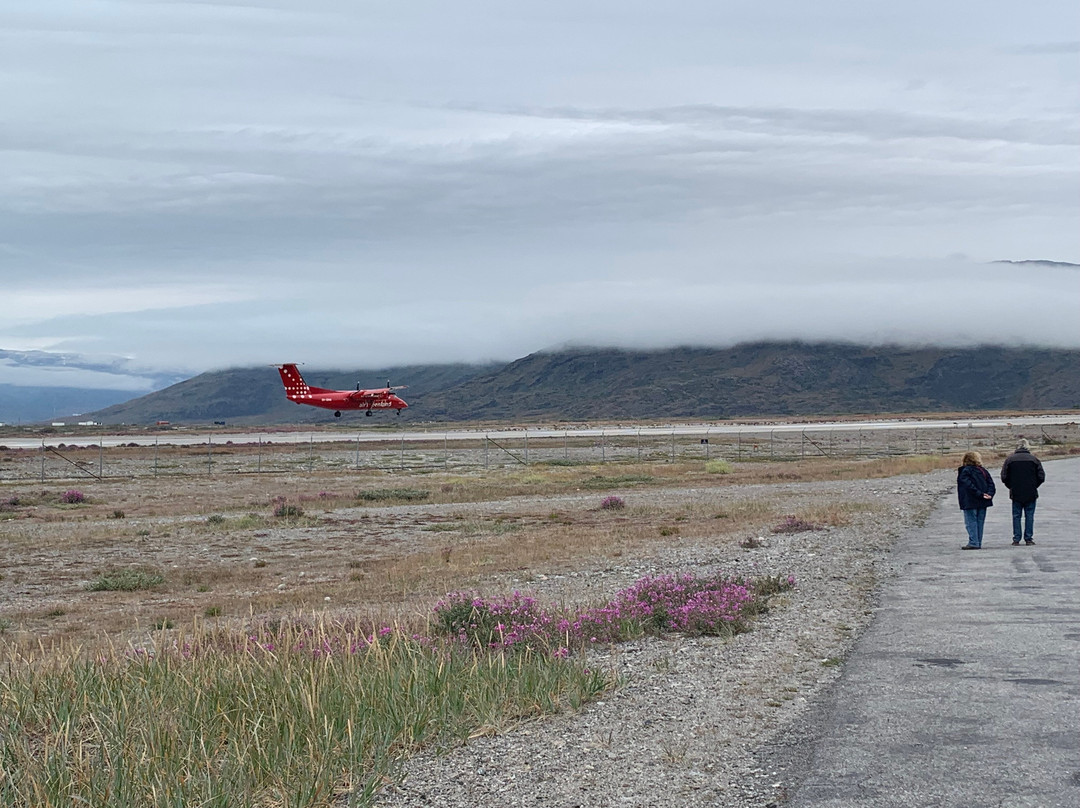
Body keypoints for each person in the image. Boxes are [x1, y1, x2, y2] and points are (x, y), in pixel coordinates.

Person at [1000, 438, 1046, 546]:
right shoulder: (1034, 460)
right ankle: (1028, 538)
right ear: (1027, 446)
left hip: (1016, 492)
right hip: (1031, 492)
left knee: (1016, 516)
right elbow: (1041, 477)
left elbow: (1004, 477)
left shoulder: (1010, 460)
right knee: (1029, 516)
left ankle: (1016, 539)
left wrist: (1010, 486)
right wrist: (1034, 486)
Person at [957, 450, 995, 549]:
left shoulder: (965, 471)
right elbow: (991, 484)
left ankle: (974, 542)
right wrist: (989, 494)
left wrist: (980, 494)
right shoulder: (983, 471)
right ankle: (978, 541)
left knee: (971, 522)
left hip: (970, 500)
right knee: (980, 522)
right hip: (983, 500)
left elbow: (968, 485)